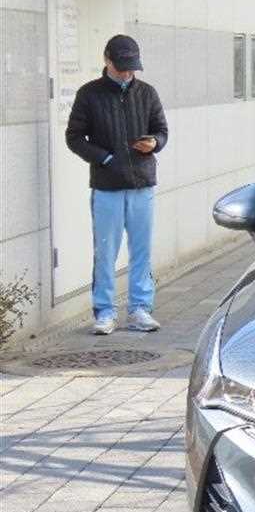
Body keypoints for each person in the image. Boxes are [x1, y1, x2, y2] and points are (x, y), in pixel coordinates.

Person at [66, 34, 168, 334]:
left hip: (142, 184)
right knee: (105, 252)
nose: (127, 73)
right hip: (106, 186)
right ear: (107, 60)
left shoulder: (147, 93)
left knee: (142, 251)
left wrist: (155, 143)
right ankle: (105, 312)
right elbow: (74, 137)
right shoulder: (89, 94)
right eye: (122, 67)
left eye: (132, 67)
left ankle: (140, 309)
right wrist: (106, 158)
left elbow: (161, 130)